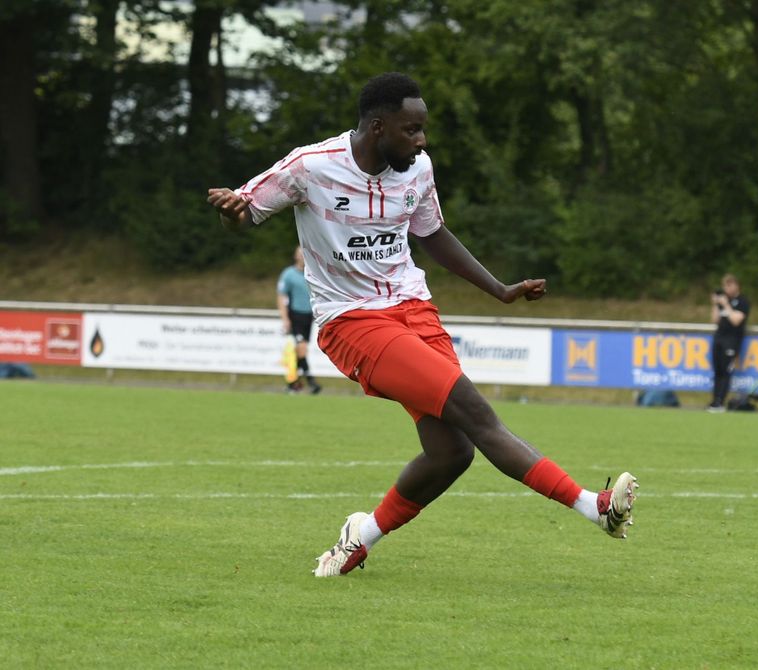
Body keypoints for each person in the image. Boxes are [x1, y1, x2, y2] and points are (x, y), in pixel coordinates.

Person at [207, 72, 638, 577]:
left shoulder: (418, 169)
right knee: (476, 413)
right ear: (377, 127)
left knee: (452, 452)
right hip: (352, 321)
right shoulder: (311, 167)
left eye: (422, 130)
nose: (421, 140)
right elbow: (246, 211)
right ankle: (595, 505)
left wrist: (499, 289)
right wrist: (232, 213)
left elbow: (432, 233)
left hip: (414, 310)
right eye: (411, 130)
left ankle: (359, 537)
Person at [277, 245, 321, 394]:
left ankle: (293, 383)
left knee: (300, 350)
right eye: (300, 254)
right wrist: (285, 318)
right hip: (295, 316)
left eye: (304, 254)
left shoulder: (313, 273)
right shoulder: (289, 274)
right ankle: (312, 382)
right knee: (301, 347)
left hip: (309, 316)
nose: (302, 256)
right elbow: (281, 296)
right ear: (295, 256)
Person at [708, 273, 750, 412]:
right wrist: (715, 304)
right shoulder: (722, 302)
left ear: (736, 285)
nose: (726, 288)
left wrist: (726, 305)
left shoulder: (743, 301)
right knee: (717, 370)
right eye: (724, 285)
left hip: (732, 340)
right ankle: (714, 401)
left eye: (729, 285)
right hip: (719, 338)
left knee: (726, 371)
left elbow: (736, 320)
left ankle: (720, 401)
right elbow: (715, 320)